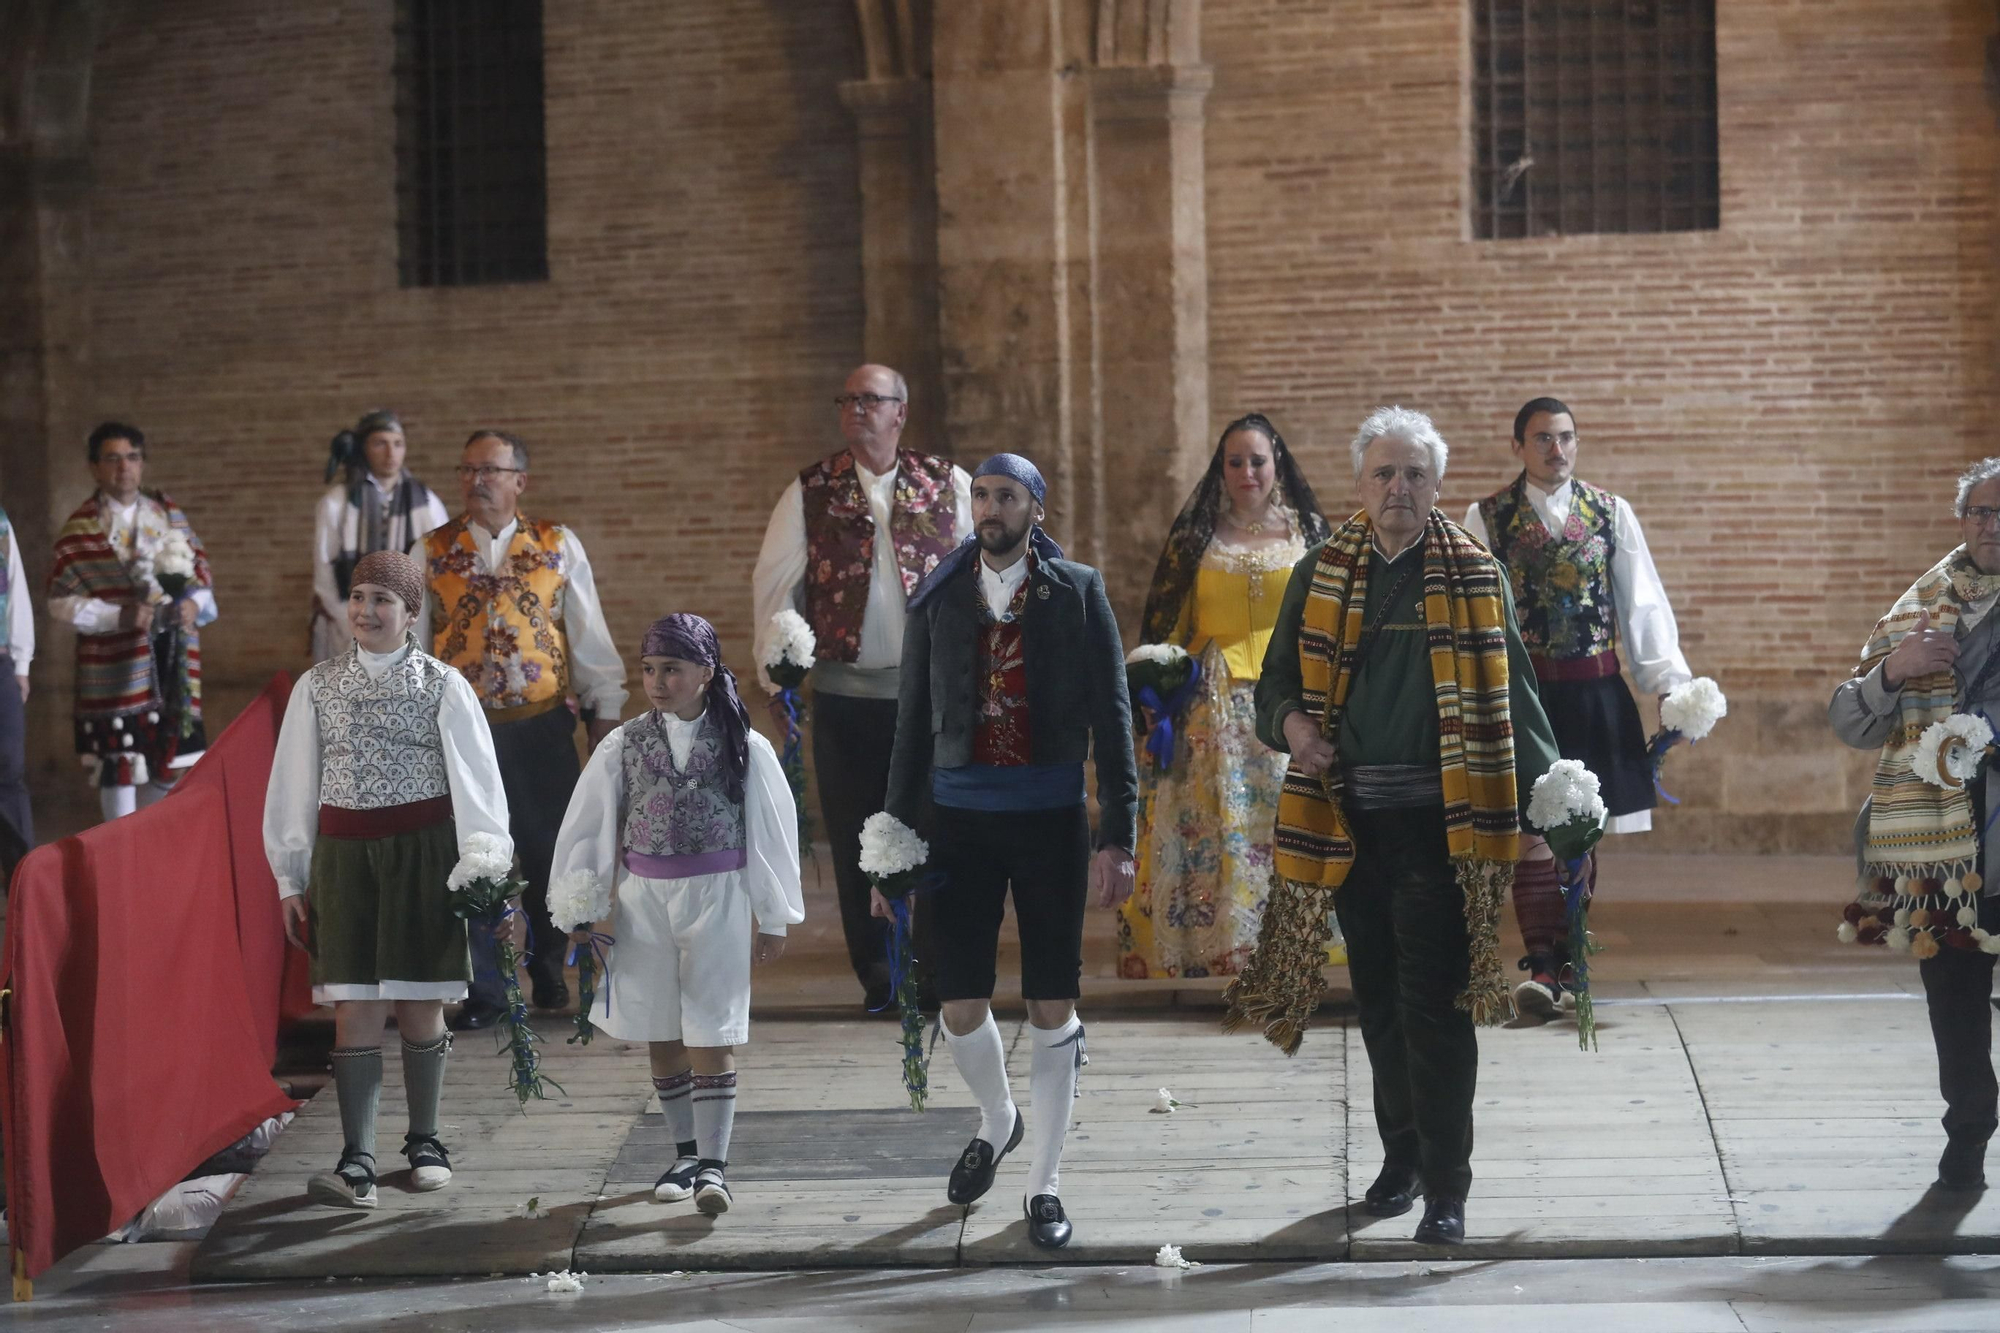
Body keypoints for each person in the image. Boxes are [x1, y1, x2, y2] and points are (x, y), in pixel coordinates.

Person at [1225, 407, 1560, 1246]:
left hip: (1443, 826)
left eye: (1414, 474)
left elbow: (1515, 694)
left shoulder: (1478, 574)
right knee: (1377, 999)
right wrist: (1294, 729)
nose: (1398, 488)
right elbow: (1273, 690)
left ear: (1438, 484)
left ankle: (1449, 1183)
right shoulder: (1321, 572)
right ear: (1359, 483)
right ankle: (1400, 1159)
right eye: (1383, 473)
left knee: (1436, 1005)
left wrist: (1553, 803)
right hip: (1348, 822)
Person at [880, 452, 1138, 1251]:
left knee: (1052, 1000)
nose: (990, 508)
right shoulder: (939, 597)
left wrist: (1118, 831)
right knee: (958, 1003)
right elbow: (909, 724)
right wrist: (892, 840)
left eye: (1006, 495)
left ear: (1035, 506)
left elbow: (1115, 713)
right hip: (959, 821)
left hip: (1052, 816)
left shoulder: (1079, 591)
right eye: (981, 495)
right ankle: (1000, 1118)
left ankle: (1044, 1186)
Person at [263, 551, 512, 1209]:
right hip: (345, 860)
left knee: (420, 1000)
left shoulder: (442, 684)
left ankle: (426, 1141)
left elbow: (478, 783)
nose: (367, 610)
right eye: (359, 596)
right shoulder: (315, 687)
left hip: (422, 857)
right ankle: (357, 1158)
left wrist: (485, 862)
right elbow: (295, 784)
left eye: (383, 599)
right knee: (354, 1005)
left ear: (411, 613)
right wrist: (291, 876)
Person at [550, 613, 804, 1216]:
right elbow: (591, 824)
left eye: (672, 669)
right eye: (649, 669)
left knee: (711, 1028)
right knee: (661, 1028)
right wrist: (583, 901)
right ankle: (685, 1152)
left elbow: (770, 829)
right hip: (644, 900)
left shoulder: (744, 743)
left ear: (706, 672)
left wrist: (773, 914)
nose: (657, 681)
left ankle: (715, 1165)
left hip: (717, 895)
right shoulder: (625, 742)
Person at [1462, 397, 1692, 1020]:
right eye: (1542, 439)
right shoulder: (1486, 518)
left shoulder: (1611, 512)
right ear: (1518, 446)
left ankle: (1565, 958)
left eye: (1565, 437)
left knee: (1580, 832)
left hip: (1595, 691)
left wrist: (1669, 683)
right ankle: (1541, 960)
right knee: (1530, 832)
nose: (1555, 449)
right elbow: (1474, 614)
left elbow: (1641, 601)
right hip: (1526, 699)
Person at [751, 363, 971, 1012]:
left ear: (899, 411)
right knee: (857, 833)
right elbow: (774, 583)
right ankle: (880, 974)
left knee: (932, 828)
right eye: (846, 399)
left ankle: (933, 971)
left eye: (869, 400)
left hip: (930, 696)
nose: (856, 410)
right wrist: (775, 675)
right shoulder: (810, 489)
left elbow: (984, 567)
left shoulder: (947, 482)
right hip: (847, 696)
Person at [414, 429, 628, 1029]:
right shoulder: (431, 550)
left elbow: (589, 638)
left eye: (492, 469)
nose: (478, 480)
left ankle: (549, 967)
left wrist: (603, 722)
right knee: (477, 856)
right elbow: (411, 643)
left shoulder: (557, 546)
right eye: (468, 469)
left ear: (519, 481)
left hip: (541, 729)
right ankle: (485, 987)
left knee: (548, 850)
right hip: (464, 735)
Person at [1830, 456, 2000, 1192]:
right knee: (1954, 997)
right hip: (1941, 843)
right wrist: (1893, 671)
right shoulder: (1925, 599)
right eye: (1980, 513)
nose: (1991, 527)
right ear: (1962, 520)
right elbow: (1849, 719)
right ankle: (1967, 1134)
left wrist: (1984, 729)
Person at [1118, 413, 1334, 979]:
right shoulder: (1197, 538)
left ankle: (1291, 949)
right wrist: (1155, 688)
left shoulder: (1308, 536)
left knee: (1282, 827)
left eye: (1257, 460)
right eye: (1234, 461)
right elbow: (1168, 624)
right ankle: (1220, 949)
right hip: (1211, 709)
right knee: (1217, 831)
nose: (1246, 472)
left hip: (1292, 704)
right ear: (1221, 469)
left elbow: (1332, 618)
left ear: (1277, 464)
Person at [48, 422, 218, 822]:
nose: (124, 467)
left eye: (133, 457)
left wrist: (195, 605)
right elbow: (60, 602)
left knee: (172, 762)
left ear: (142, 464)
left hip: (169, 654)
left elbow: (200, 575)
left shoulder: (169, 515)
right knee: (118, 763)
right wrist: (119, 615)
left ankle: (141, 837)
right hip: (114, 664)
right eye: (112, 458)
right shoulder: (79, 532)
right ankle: (119, 849)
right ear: (94, 467)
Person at [310, 409, 449, 663]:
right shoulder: (337, 503)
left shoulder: (426, 503)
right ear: (363, 449)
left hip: (407, 628)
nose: (391, 453)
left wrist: (405, 623)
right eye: (380, 444)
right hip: (346, 627)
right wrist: (353, 621)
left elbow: (440, 567)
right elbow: (324, 571)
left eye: (398, 444)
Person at [0, 496, 34, 872]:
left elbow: (15, 589)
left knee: (8, 771)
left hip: (0, 664)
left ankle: (23, 889)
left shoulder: (0, 525)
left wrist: (21, 664)